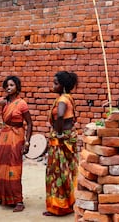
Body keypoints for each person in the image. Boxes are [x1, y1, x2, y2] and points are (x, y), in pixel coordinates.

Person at [0, 75, 32, 212]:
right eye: (7, 86)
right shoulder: (3, 102)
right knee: (1, 166)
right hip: (4, 136)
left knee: (14, 167)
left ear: (17, 88)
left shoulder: (22, 103)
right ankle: (4, 196)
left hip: (17, 136)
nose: (9, 88)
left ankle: (18, 200)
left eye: (12, 85)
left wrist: (27, 142)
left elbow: (30, 123)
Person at [43, 71, 78, 217]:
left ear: (63, 86)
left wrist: (57, 133)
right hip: (68, 137)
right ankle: (71, 201)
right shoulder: (69, 97)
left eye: (55, 83)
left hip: (61, 140)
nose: (53, 86)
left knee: (57, 172)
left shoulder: (63, 100)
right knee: (69, 170)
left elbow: (61, 115)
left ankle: (59, 206)